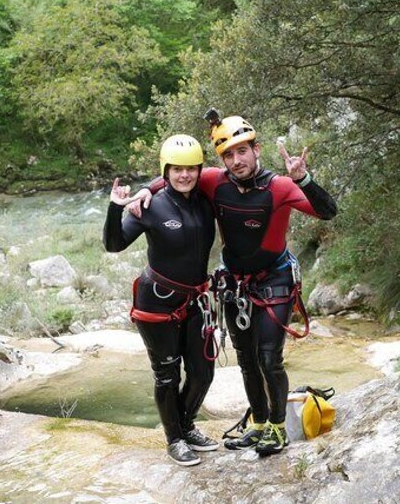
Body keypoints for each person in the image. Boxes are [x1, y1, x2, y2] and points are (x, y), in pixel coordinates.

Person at [132, 112, 337, 456]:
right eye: (229, 154)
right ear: (221, 159)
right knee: (245, 358)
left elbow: (327, 211)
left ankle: (277, 429)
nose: (237, 160)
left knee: (268, 358)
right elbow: (175, 175)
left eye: (243, 151)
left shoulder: (279, 186)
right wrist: (143, 189)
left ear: (257, 150)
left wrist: (304, 179)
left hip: (275, 277)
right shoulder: (214, 182)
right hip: (235, 283)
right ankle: (257, 425)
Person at [103, 134, 219, 467]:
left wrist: (148, 185)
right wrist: (115, 206)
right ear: (166, 170)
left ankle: (185, 425)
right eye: (177, 169)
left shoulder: (205, 198)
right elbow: (115, 244)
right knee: (167, 374)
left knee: (202, 373)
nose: (185, 175)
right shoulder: (150, 205)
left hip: (196, 298)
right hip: (157, 300)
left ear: (199, 170)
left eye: (191, 169)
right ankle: (175, 439)